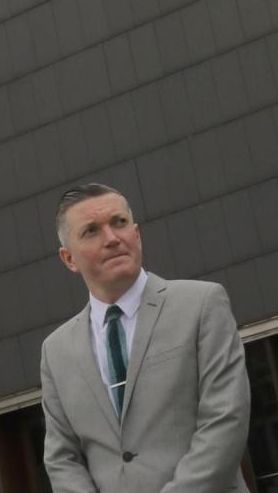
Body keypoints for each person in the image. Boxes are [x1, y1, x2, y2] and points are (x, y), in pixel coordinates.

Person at [39, 184, 250, 493]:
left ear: (136, 234)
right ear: (68, 258)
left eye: (119, 222)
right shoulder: (56, 351)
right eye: (92, 231)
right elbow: (62, 458)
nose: (112, 238)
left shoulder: (201, 304)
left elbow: (225, 419)